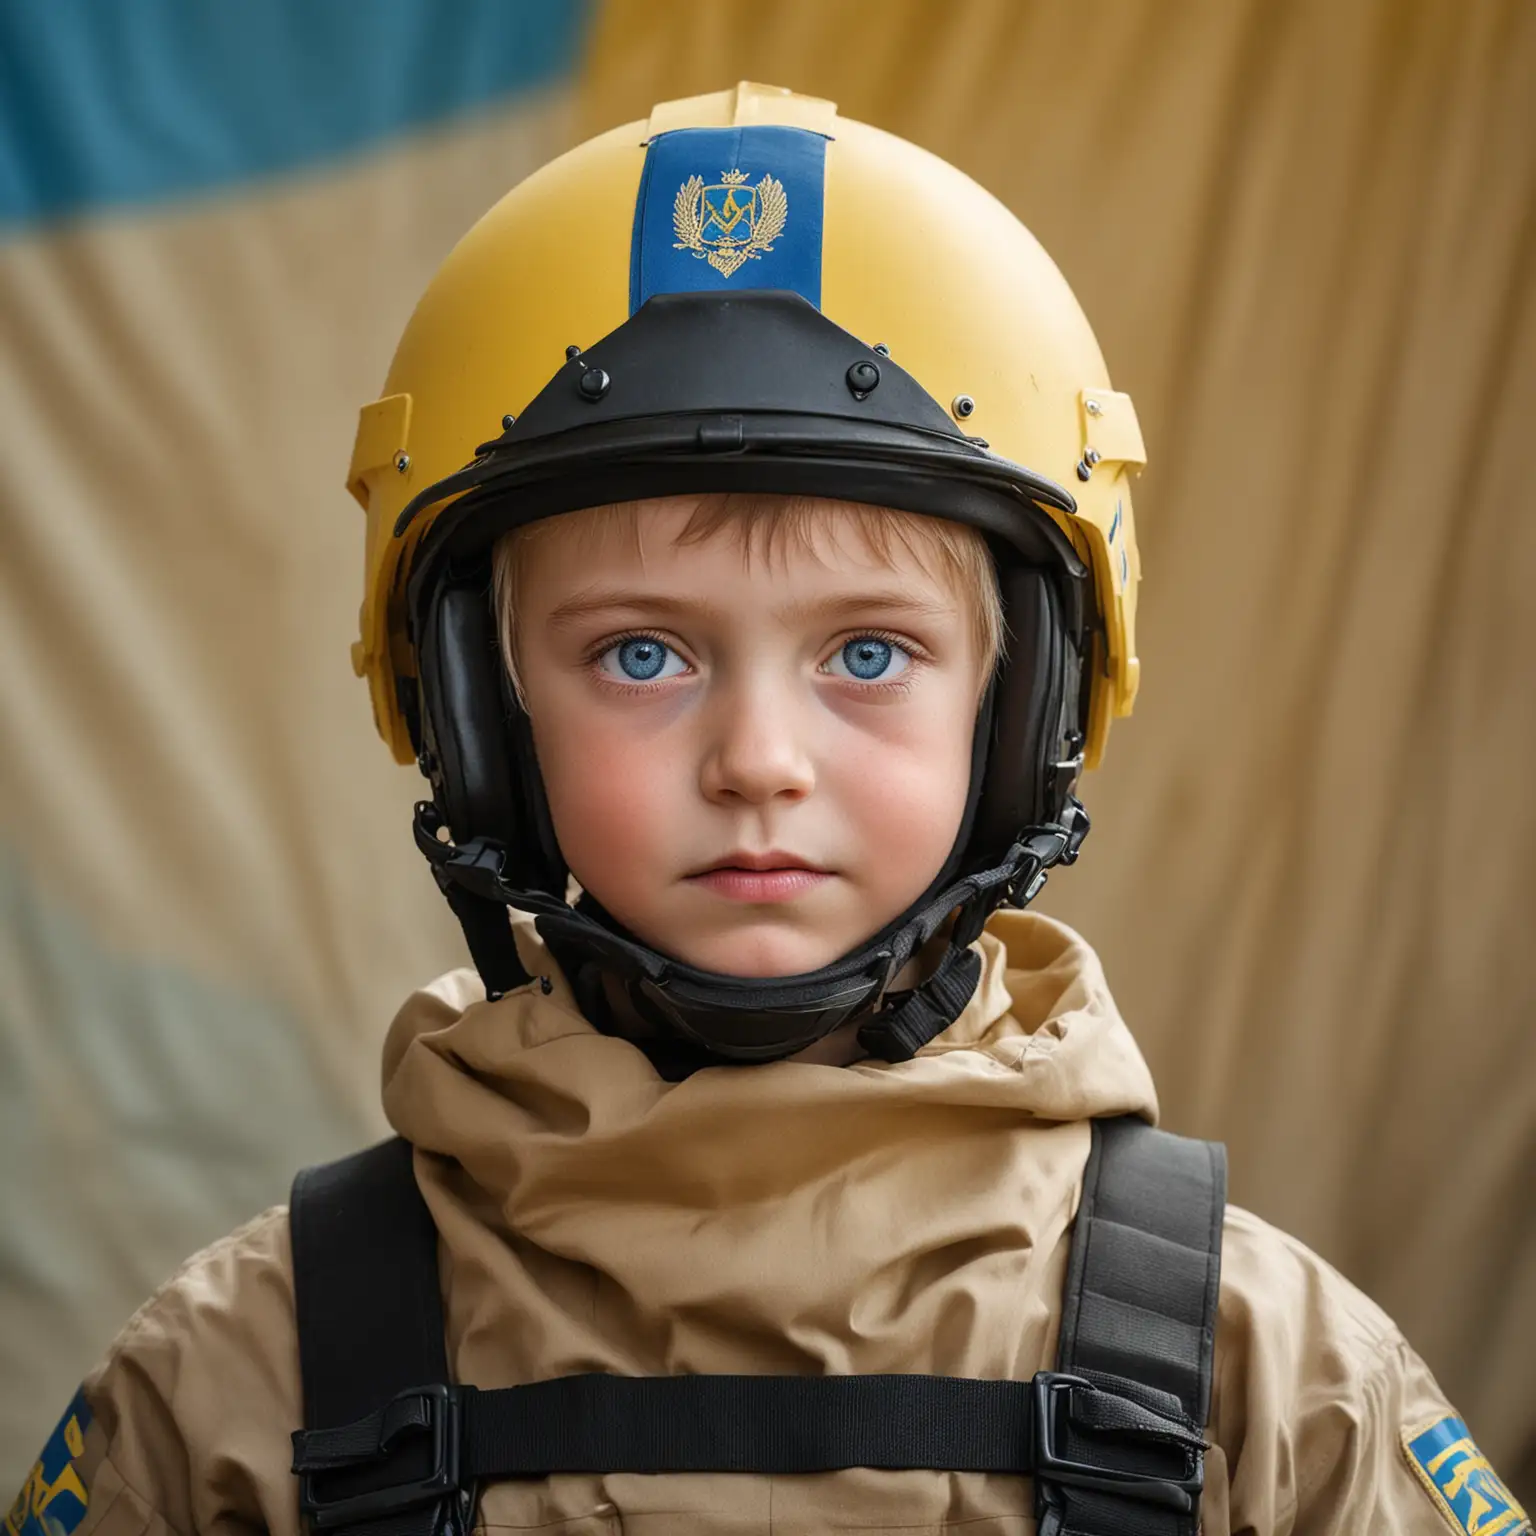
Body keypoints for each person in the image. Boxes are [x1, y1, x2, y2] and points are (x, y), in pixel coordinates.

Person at [10, 83, 1525, 1536]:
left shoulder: (1269, 1382)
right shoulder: (239, 1383)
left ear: (1022, 719)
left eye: (868, 653)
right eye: (642, 654)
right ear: (476, 718)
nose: (757, 760)